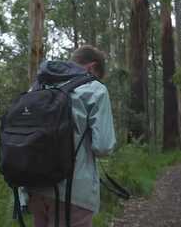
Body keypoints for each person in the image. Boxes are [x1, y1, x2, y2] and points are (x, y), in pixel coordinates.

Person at [24, 45, 117, 227]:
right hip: (73, 191)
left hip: (35, 187)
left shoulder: (37, 86)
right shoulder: (95, 88)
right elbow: (103, 146)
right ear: (91, 67)